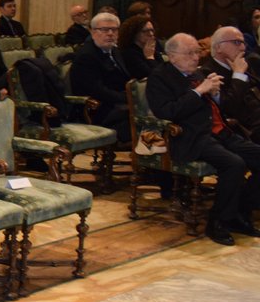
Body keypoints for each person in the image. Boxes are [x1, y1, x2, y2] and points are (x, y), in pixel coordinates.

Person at [146, 34, 260, 245]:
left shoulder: (197, 73)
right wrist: (199, 92)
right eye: (189, 53)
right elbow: (167, 112)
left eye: (197, 52)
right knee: (234, 164)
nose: (195, 57)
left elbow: (225, 107)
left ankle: (239, 212)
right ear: (171, 56)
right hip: (191, 137)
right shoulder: (160, 77)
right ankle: (217, 221)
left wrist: (215, 95)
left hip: (219, 132)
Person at [70, 12, 131, 142]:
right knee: (138, 113)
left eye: (114, 29)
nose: (110, 33)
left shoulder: (114, 51)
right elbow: (97, 90)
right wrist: (128, 98)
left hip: (115, 102)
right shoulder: (87, 56)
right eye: (104, 29)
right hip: (97, 108)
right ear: (92, 32)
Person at [205, 25, 260, 137]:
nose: (243, 48)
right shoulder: (208, 73)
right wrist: (238, 75)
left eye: (244, 43)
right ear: (218, 47)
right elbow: (229, 109)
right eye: (236, 42)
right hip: (244, 130)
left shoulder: (243, 65)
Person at [118, 14, 161, 80]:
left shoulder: (152, 49)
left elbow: (165, 72)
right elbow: (155, 76)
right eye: (145, 31)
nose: (151, 34)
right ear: (134, 33)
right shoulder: (129, 53)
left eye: (152, 30)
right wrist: (150, 57)